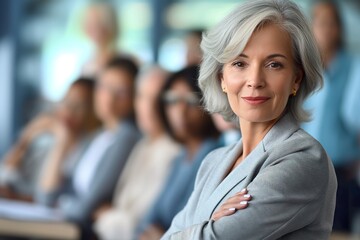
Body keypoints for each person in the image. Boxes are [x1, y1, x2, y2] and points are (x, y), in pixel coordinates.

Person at [162, 0, 337, 239]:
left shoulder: (304, 159)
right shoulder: (213, 162)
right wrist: (209, 225)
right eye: (239, 63)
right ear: (221, 77)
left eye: (274, 64)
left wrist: (201, 226)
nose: (255, 80)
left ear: (296, 79)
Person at [36, 57, 140, 230]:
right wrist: (61, 143)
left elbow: (87, 206)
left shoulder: (127, 137)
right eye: (104, 87)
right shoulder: (96, 136)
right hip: (66, 225)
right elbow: (46, 197)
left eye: (121, 92)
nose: (110, 98)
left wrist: (62, 205)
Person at [93, 66, 180, 240]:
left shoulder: (175, 152)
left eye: (157, 99)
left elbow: (140, 225)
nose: (148, 107)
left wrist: (103, 215)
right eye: (142, 96)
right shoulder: (142, 144)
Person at [136, 65, 220, 240]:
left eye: (190, 101)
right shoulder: (180, 157)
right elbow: (150, 216)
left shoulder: (214, 154)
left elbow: (191, 222)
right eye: (172, 100)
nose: (180, 111)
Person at [302, 1, 360, 232]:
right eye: (319, 22)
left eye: (331, 23)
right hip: (304, 168)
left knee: (336, 232)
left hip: (340, 170)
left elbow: (355, 117)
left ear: (339, 29)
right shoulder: (304, 68)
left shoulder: (353, 66)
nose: (325, 29)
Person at [0, 77, 99, 200]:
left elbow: (47, 196)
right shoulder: (46, 139)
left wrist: (62, 139)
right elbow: (6, 172)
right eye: (66, 101)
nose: (70, 110)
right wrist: (27, 135)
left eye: (80, 105)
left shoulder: (88, 149)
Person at [81, 3, 119, 77]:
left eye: (98, 23)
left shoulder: (121, 62)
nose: (92, 28)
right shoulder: (87, 62)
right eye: (89, 22)